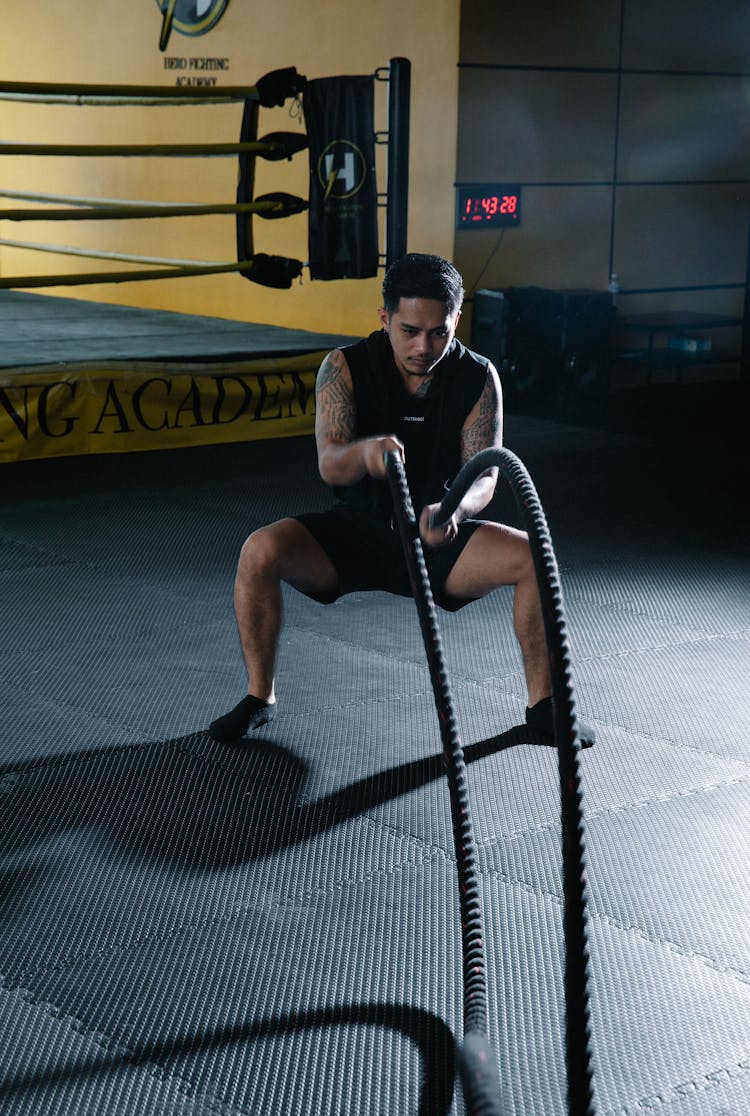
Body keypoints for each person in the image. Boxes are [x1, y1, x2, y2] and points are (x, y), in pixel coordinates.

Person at [209, 252, 594, 747]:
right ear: (385, 318)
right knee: (259, 550)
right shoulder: (343, 366)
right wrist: (367, 454)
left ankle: (543, 707)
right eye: (409, 330)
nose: (423, 346)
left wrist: (454, 509)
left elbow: (487, 475)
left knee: (535, 556)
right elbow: (329, 463)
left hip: (436, 534)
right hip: (358, 532)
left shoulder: (480, 377)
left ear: (457, 320)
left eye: (439, 332)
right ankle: (259, 698)